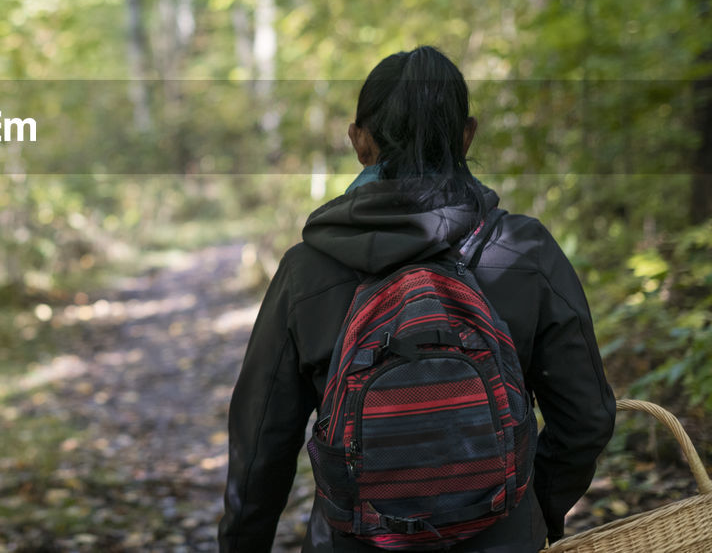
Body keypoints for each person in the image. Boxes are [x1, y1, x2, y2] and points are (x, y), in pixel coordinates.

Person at [218, 46, 616, 553]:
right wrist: (532, 512)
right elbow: (588, 419)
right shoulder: (524, 251)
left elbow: (259, 447)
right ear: (467, 135)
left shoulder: (306, 270)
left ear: (359, 141)